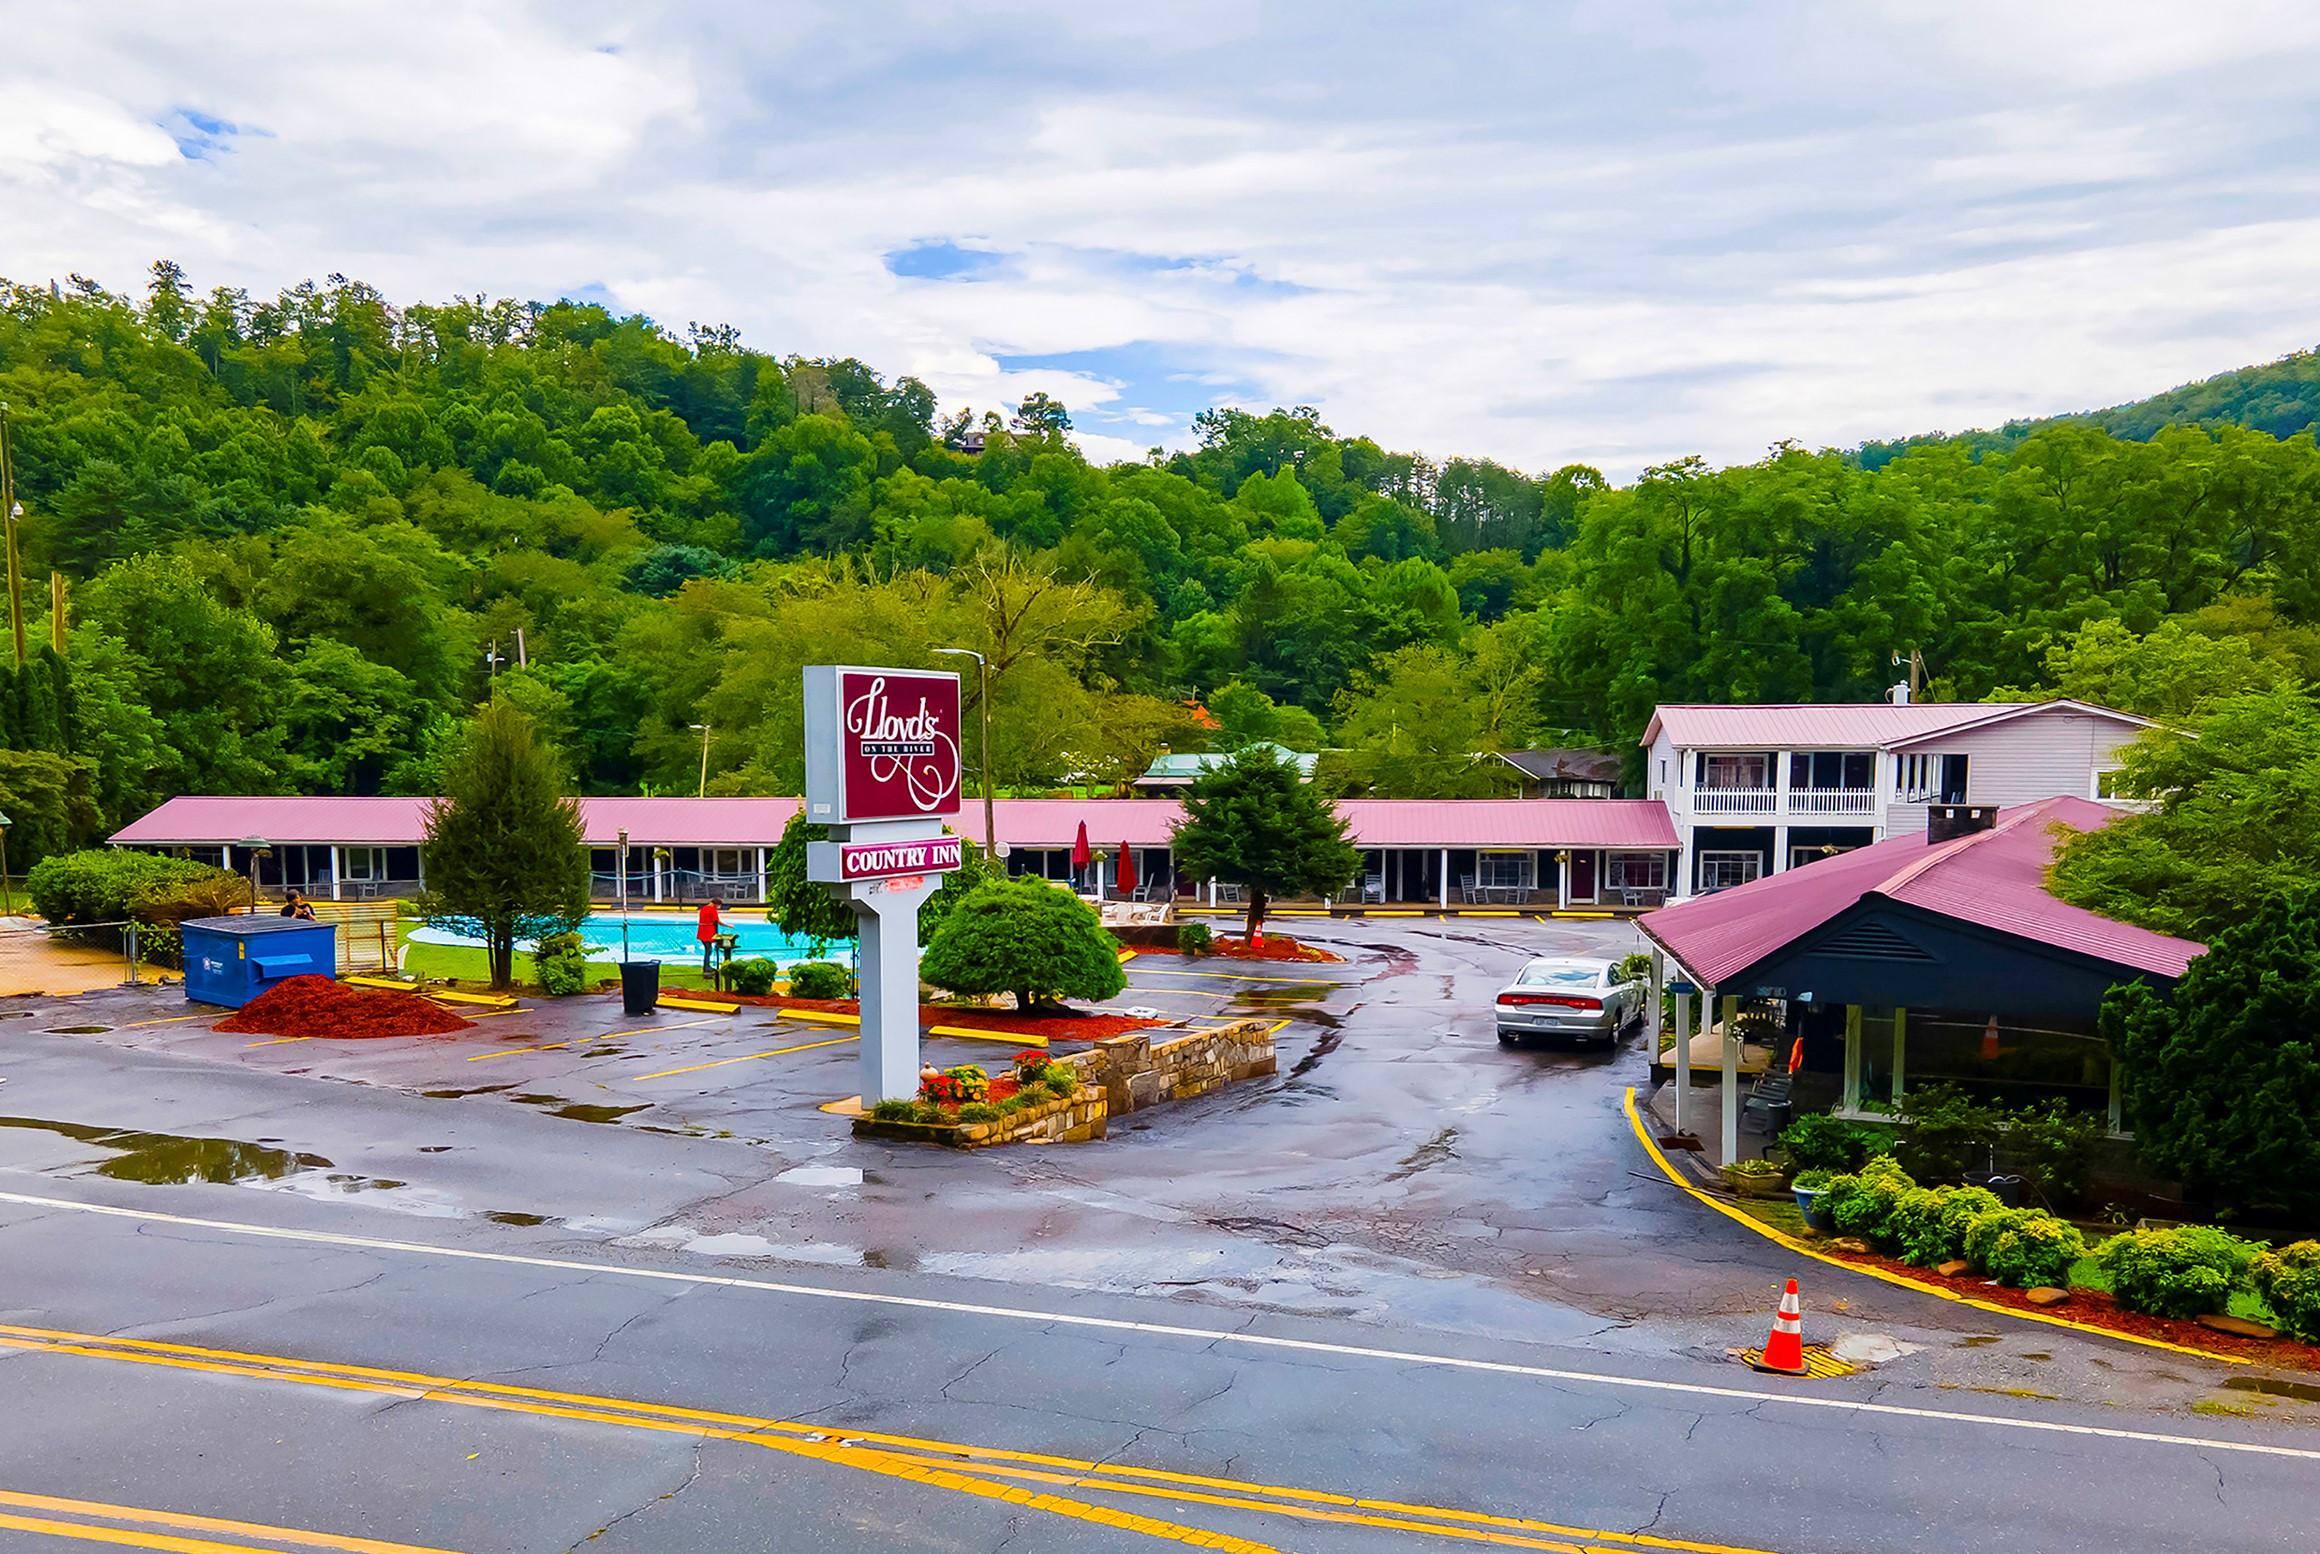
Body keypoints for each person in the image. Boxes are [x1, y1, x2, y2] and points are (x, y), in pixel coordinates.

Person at [696, 897, 721, 974]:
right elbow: (717, 921)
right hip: (707, 933)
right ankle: (706, 967)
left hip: (702, 932)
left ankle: (707, 966)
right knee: (708, 950)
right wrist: (728, 925)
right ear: (715, 904)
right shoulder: (712, 910)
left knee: (708, 950)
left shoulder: (703, 908)